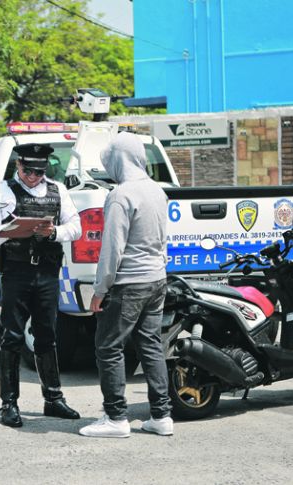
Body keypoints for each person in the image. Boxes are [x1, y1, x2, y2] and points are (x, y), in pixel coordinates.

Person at [0, 143, 82, 427]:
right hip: (16, 271)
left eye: (39, 172)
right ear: (18, 165)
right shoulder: (2, 191)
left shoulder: (58, 191)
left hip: (47, 272)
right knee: (12, 336)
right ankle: (9, 403)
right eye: (28, 171)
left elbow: (76, 227)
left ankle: (53, 399)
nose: (33, 177)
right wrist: (8, 232)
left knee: (47, 335)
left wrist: (54, 232)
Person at [78, 131, 173, 438]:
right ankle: (161, 416)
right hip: (156, 279)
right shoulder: (157, 190)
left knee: (108, 347)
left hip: (128, 283)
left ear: (118, 160)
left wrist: (100, 289)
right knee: (151, 346)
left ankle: (116, 418)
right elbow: (163, 238)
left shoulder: (121, 195)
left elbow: (112, 248)